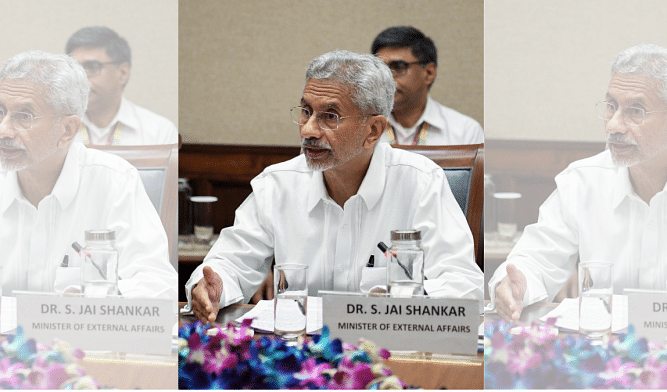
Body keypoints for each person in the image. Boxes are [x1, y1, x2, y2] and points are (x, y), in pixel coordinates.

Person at [186, 49, 483, 323]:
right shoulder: (277, 184)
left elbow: (463, 285)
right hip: (299, 357)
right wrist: (212, 288)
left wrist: (395, 302)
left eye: (330, 116)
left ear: (373, 130)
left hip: (390, 352)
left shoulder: (420, 182)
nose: (308, 129)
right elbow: (230, 263)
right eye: (305, 111)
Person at [0, 50, 177, 299]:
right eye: (0, 111)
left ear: (68, 130)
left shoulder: (114, 182)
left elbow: (158, 284)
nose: (3, 130)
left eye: (24, 116)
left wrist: (88, 299)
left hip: (85, 336)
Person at [489, 44, 667, 322]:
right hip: (598, 354)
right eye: (611, 106)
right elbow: (535, 260)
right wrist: (516, 284)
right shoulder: (583, 181)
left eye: (636, 111)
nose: (613, 126)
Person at [371, 26, 484, 146]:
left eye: (399, 67)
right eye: (380, 68)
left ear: (429, 73)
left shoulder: (465, 131)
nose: (387, 77)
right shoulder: (363, 128)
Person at [65, 26, 178, 145]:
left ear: (123, 73)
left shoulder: (159, 132)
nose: (81, 77)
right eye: (74, 68)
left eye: (93, 67)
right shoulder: (57, 127)